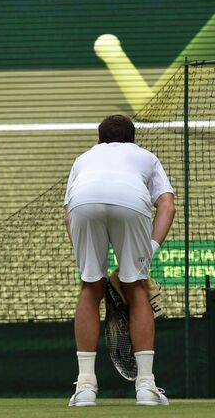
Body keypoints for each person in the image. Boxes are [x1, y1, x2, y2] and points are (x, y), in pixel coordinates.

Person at [63, 114, 176, 407]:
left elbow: (68, 214)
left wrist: (88, 262)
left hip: (83, 202)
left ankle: (85, 387)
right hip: (131, 201)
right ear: (132, 140)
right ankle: (146, 388)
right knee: (135, 288)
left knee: (90, 287)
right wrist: (148, 251)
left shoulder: (83, 158)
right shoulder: (146, 157)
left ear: (99, 140)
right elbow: (167, 205)